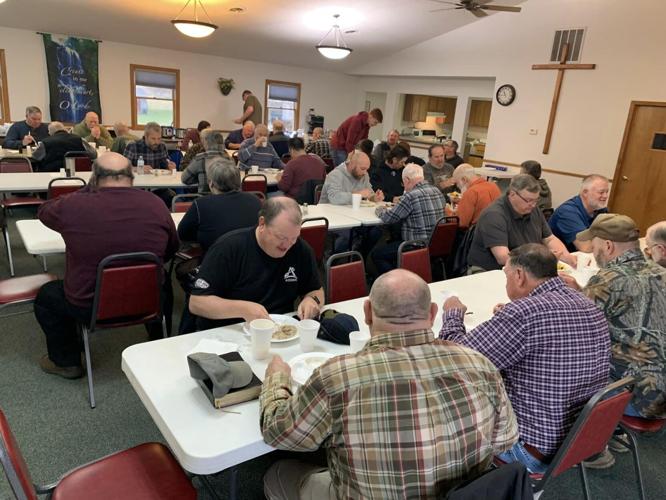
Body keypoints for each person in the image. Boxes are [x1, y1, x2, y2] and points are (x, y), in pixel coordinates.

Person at [261, 269, 518, 499]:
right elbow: (505, 441)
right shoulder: (480, 365)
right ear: (432, 314)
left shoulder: (337, 377)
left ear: (367, 313)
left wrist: (277, 378)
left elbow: (277, 432)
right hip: (461, 493)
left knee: (279, 473)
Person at [440, 243, 610, 473]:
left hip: (532, 449)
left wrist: (452, 314)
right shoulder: (586, 303)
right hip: (580, 439)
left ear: (519, 275)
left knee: (451, 394)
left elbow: (455, 358)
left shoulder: (524, 314)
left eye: (507, 276)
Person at [33, 152, 179, 379]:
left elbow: (44, 211)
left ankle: (67, 362)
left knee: (47, 297)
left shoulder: (74, 205)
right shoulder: (156, 203)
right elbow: (171, 249)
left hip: (89, 306)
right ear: (131, 176)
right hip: (148, 300)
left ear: (95, 177)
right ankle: (158, 341)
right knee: (162, 280)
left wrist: (87, 190)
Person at [561, 214, 666, 421]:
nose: (593, 251)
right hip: (660, 393)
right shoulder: (660, 271)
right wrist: (582, 292)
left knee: (559, 364)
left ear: (608, 246)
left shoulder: (609, 279)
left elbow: (572, 328)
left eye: (594, 246)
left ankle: (587, 431)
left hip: (641, 398)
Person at [189, 197, 324, 330]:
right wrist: (243, 309)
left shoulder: (300, 249)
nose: (287, 245)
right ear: (262, 223)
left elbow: (316, 290)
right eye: (281, 237)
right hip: (230, 330)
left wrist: (312, 300)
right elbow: (197, 303)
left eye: (294, 238)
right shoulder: (229, 248)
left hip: (280, 331)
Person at [467, 174, 577, 273]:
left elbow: (549, 239)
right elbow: (503, 257)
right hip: (491, 271)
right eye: (528, 200)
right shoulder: (494, 215)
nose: (533, 205)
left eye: (536, 200)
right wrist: (542, 261)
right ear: (512, 194)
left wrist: (567, 256)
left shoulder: (532, 209)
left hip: (527, 267)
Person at [371, 164, 445, 275]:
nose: (403, 186)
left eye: (403, 183)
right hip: (435, 244)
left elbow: (388, 218)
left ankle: (398, 280)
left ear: (407, 180)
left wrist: (379, 208)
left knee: (377, 255)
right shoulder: (437, 191)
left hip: (414, 244)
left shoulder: (410, 196)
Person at [179, 160, 263, 253]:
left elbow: (183, 234)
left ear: (211, 183)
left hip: (214, 258)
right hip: (251, 258)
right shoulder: (255, 200)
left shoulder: (201, 204)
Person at [549, 174, 610, 252]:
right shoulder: (568, 212)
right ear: (585, 192)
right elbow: (586, 247)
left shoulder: (600, 210)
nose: (605, 196)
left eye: (607, 192)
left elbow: (612, 236)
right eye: (601, 192)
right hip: (561, 257)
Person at [449, 164, 501, 228]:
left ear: (464, 179)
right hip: (496, 227)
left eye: (457, 183)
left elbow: (462, 223)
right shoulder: (493, 186)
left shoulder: (471, 192)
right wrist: (462, 202)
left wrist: (448, 212)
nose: (457, 186)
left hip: (477, 231)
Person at [31, 122, 97, 172]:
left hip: (51, 173)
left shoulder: (45, 142)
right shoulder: (80, 139)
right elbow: (93, 154)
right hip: (78, 173)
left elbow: (35, 157)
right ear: (64, 129)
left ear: (50, 132)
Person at [181, 129, 225, 194]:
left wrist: (199, 177)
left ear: (206, 142)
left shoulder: (200, 158)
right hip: (225, 197)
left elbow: (185, 179)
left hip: (204, 196)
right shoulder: (228, 158)